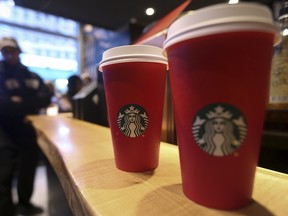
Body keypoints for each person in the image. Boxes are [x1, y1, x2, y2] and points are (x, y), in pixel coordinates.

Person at [0, 37, 52, 215]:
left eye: (11, 50)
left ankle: (25, 204)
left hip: (28, 131)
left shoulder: (31, 75)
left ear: (18, 51)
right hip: (4, 132)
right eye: (4, 51)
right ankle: (6, 211)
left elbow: (46, 98)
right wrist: (30, 104)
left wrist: (19, 102)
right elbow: (3, 104)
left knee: (27, 171)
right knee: (3, 174)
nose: (8, 54)